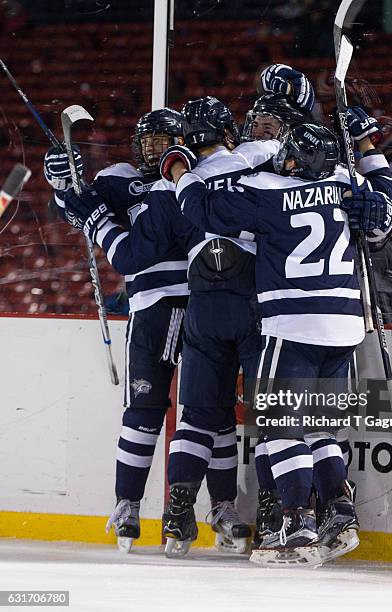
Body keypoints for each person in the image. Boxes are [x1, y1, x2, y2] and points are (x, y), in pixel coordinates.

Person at [160, 114, 392, 566]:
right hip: (345, 327)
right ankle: (341, 516)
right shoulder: (348, 182)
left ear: (299, 158)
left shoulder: (269, 190)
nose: (283, 157)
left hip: (292, 326)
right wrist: (368, 145)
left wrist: (180, 172)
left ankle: (296, 525)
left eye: (289, 152)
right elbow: (385, 203)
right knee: (322, 427)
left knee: (281, 428)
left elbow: (202, 210)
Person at [62, 96, 281, 557]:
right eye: (150, 141)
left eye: (166, 141)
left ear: (182, 143)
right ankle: (134, 504)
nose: (155, 149)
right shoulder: (126, 179)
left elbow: (125, 253)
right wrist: (63, 184)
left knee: (202, 412)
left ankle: (209, 506)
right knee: (166, 410)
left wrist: (96, 221)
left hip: (187, 304)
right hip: (187, 305)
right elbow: (76, 204)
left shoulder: (175, 184)